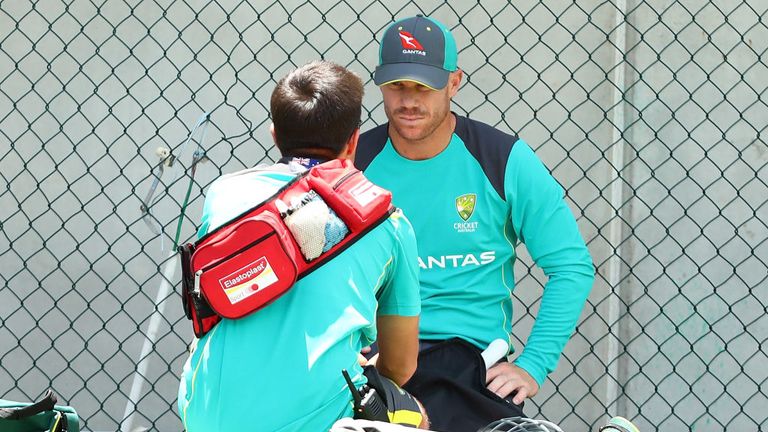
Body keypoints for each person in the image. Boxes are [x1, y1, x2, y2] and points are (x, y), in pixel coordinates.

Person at [355, 15, 595, 431]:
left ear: (454, 82)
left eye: (424, 87)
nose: (409, 101)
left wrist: (533, 365)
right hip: (377, 364)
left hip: (471, 367)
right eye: (397, 86)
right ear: (379, 84)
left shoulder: (504, 159)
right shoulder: (354, 162)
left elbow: (570, 266)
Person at [178, 61, 428, 431]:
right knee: (415, 416)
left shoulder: (224, 194)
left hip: (206, 415)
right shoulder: (388, 223)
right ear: (354, 140)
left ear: (275, 134)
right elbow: (401, 366)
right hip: (318, 420)